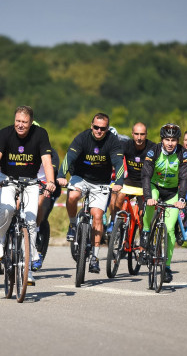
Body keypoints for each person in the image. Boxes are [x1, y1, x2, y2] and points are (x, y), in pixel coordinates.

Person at [0, 106, 56, 285]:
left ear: (31, 122)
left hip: (30, 180)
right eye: (17, 121)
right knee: (8, 208)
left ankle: (29, 266)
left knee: (32, 220)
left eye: (24, 122)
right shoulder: (4, 133)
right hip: (7, 178)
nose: (20, 125)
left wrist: (50, 181)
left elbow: (47, 161)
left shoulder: (40, 134)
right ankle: (0, 239)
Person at [57, 113, 124, 275]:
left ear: (107, 129)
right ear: (91, 125)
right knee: (72, 196)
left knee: (98, 215)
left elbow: (118, 163)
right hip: (81, 177)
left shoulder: (113, 142)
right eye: (96, 127)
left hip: (100, 182)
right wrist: (61, 175)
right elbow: (69, 157)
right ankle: (73, 224)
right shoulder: (82, 138)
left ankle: (94, 257)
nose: (99, 131)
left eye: (102, 128)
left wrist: (119, 183)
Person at [141, 124, 187, 283]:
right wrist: (148, 196)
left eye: (174, 140)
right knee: (149, 204)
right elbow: (146, 176)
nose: (170, 143)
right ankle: (146, 230)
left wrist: (181, 199)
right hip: (155, 187)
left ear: (177, 141)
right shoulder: (152, 151)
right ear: (162, 140)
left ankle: (167, 267)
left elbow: (184, 178)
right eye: (167, 139)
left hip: (172, 192)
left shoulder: (183, 153)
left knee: (169, 229)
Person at [108, 122, 155, 238]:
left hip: (146, 182)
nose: (139, 138)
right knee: (117, 196)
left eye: (142, 134)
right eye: (136, 134)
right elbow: (116, 159)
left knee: (142, 215)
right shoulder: (125, 145)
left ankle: (144, 240)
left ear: (146, 135)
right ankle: (119, 225)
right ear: (132, 134)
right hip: (130, 180)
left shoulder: (153, 148)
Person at [34, 146, 61, 271]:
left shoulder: (50, 151)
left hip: (47, 188)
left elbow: (52, 169)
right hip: (29, 185)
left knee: (42, 215)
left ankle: (39, 242)